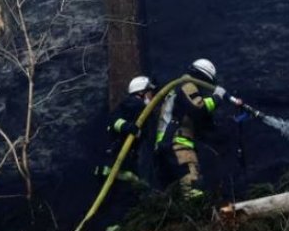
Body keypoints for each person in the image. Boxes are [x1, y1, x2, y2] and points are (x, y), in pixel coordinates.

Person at [154, 59, 241, 199]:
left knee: (172, 190)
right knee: (190, 181)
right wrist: (217, 97)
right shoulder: (187, 85)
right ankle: (195, 211)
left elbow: (199, 120)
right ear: (203, 77)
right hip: (176, 141)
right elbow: (197, 109)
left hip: (169, 142)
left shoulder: (179, 88)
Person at [95, 75, 157, 188]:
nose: (152, 96)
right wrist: (127, 127)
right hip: (112, 168)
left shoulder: (133, 107)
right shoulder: (133, 104)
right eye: (150, 92)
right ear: (142, 93)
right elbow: (113, 121)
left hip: (120, 169)